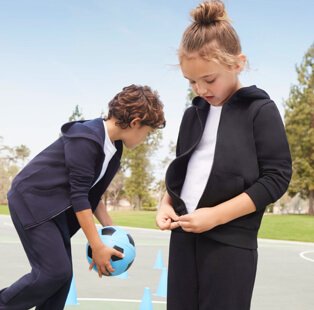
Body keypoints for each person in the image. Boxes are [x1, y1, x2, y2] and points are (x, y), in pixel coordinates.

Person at [156, 1, 292, 309]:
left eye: (209, 79)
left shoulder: (260, 110)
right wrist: (167, 202)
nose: (201, 89)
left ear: (238, 63)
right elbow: (183, 171)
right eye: (191, 81)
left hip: (231, 244)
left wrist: (215, 216)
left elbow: (276, 178)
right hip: (183, 237)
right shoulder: (194, 114)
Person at [0, 84, 165, 310]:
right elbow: (79, 197)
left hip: (55, 207)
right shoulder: (86, 138)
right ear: (135, 122)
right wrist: (97, 246)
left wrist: (114, 235)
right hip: (33, 200)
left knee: (62, 279)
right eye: (147, 132)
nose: (145, 138)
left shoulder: (115, 149)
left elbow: (93, 195)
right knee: (53, 273)